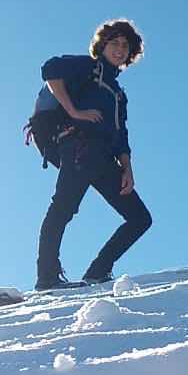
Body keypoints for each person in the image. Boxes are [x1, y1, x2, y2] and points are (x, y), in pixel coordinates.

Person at [35, 20, 152, 289]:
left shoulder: (118, 94)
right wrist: (74, 112)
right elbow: (50, 69)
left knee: (140, 219)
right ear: (103, 45)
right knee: (62, 209)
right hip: (79, 147)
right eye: (115, 43)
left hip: (104, 159)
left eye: (125, 46)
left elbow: (121, 135)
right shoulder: (89, 67)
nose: (120, 49)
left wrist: (127, 168)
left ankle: (98, 271)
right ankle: (47, 278)